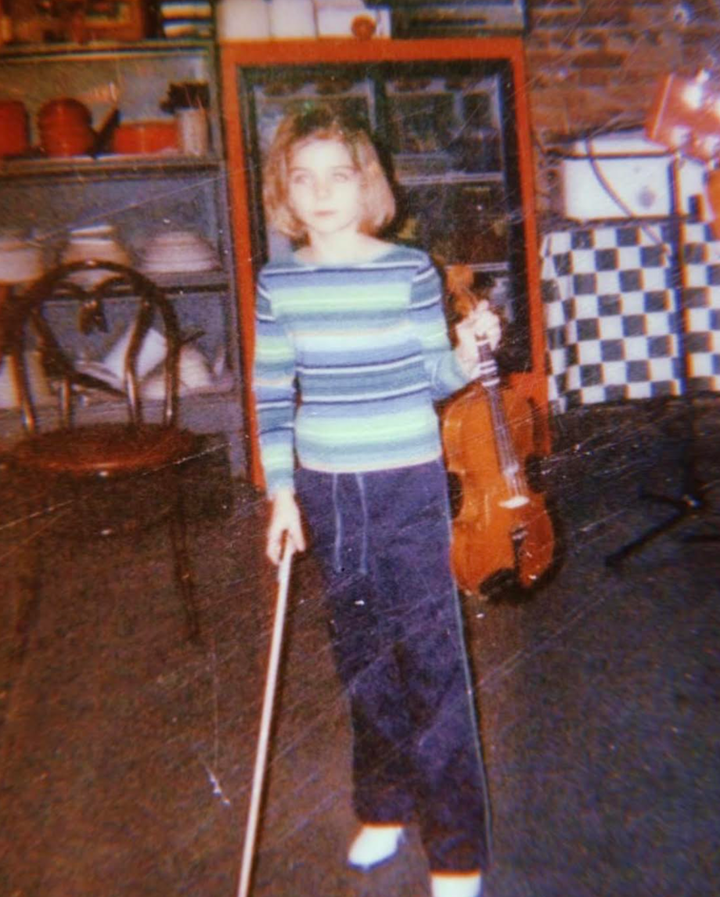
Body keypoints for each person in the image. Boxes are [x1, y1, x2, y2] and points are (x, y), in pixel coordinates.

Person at [253, 105, 500, 897]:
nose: (322, 192)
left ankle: (457, 850)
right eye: (303, 177)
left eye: (340, 175)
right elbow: (269, 394)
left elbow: (435, 380)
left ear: (369, 186)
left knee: (431, 659)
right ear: (284, 192)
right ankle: (384, 806)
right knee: (361, 656)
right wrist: (282, 493)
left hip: (407, 480)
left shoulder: (407, 270)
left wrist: (467, 353)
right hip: (328, 488)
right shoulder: (278, 281)